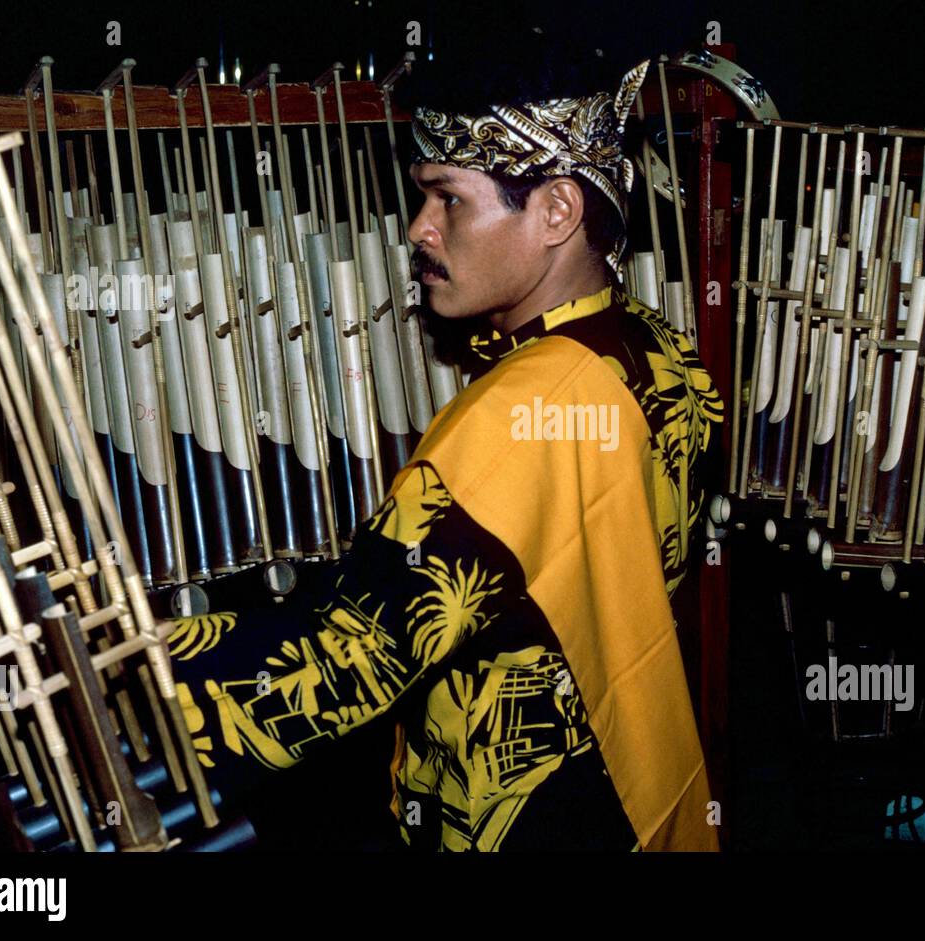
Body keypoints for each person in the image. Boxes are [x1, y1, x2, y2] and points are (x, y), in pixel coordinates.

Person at [166, 30, 723, 851]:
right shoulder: (657, 348)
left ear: (558, 211)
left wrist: (112, 670)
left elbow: (338, 667)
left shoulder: (515, 417)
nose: (419, 228)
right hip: (627, 793)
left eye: (447, 197)